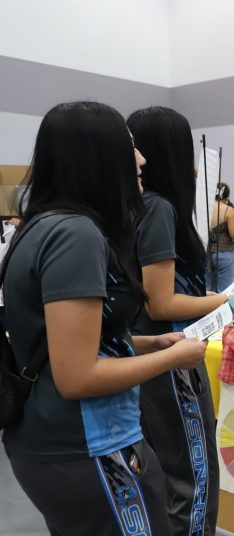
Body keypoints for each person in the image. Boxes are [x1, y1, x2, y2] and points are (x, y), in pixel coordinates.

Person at [2, 101, 208, 536]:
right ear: (97, 156)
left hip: (55, 441)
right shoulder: (76, 235)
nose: (141, 160)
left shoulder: (41, 226)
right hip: (88, 443)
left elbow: (70, 342)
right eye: (129, 147)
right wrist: (174, 358)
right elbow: (77, 375)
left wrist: (150, 344)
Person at [127, 106, 227, 536]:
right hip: (169, 357)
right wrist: (223, 302)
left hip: (143, 357)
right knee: (192, 475)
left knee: (161, 474)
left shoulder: (135, 206)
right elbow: (161, 303)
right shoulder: (158, 208)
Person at [207, 181, 234, 292]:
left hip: (205, 252)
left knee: (207, 290)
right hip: (223, 252)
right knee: (225, 291)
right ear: (227, 196)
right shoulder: (228, 210)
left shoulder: (204, 207)